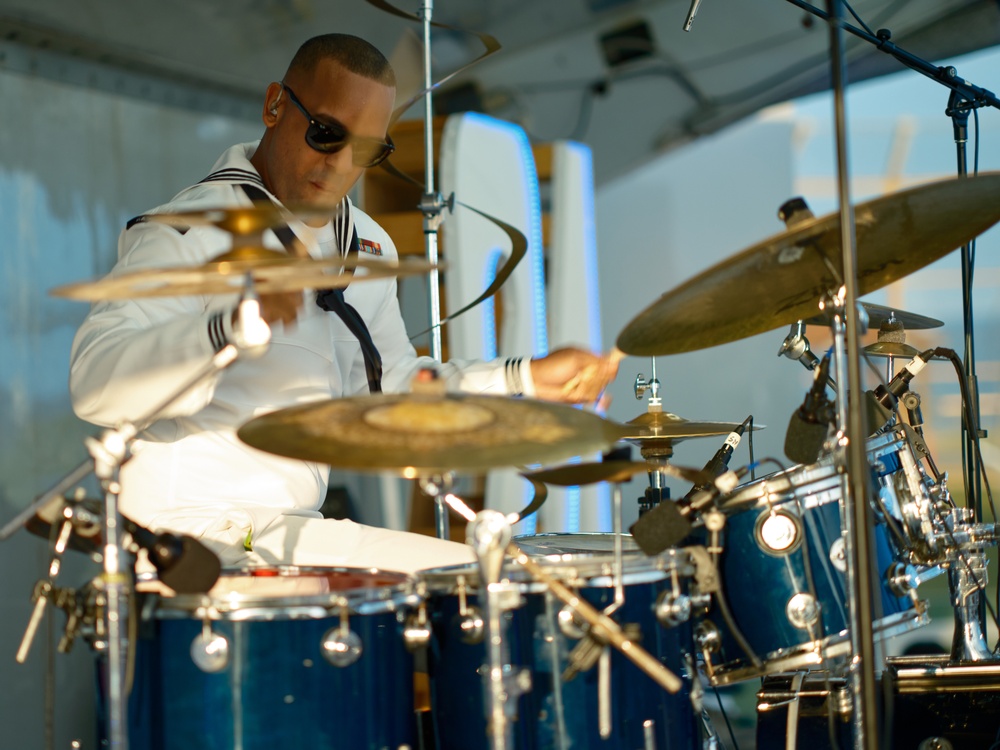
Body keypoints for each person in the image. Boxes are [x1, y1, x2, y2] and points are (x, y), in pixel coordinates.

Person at [68, 33, 619, 576]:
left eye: (364, 151)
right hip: (188, 534)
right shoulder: (190, 233)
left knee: (491, 575)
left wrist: (525, 380)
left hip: (286, 529)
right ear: (275, 105)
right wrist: (229, 327)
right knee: (475, 584)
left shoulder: (367, 243)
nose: (338, 166)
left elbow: (391, 387)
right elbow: (93, 384)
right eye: (326, 133)